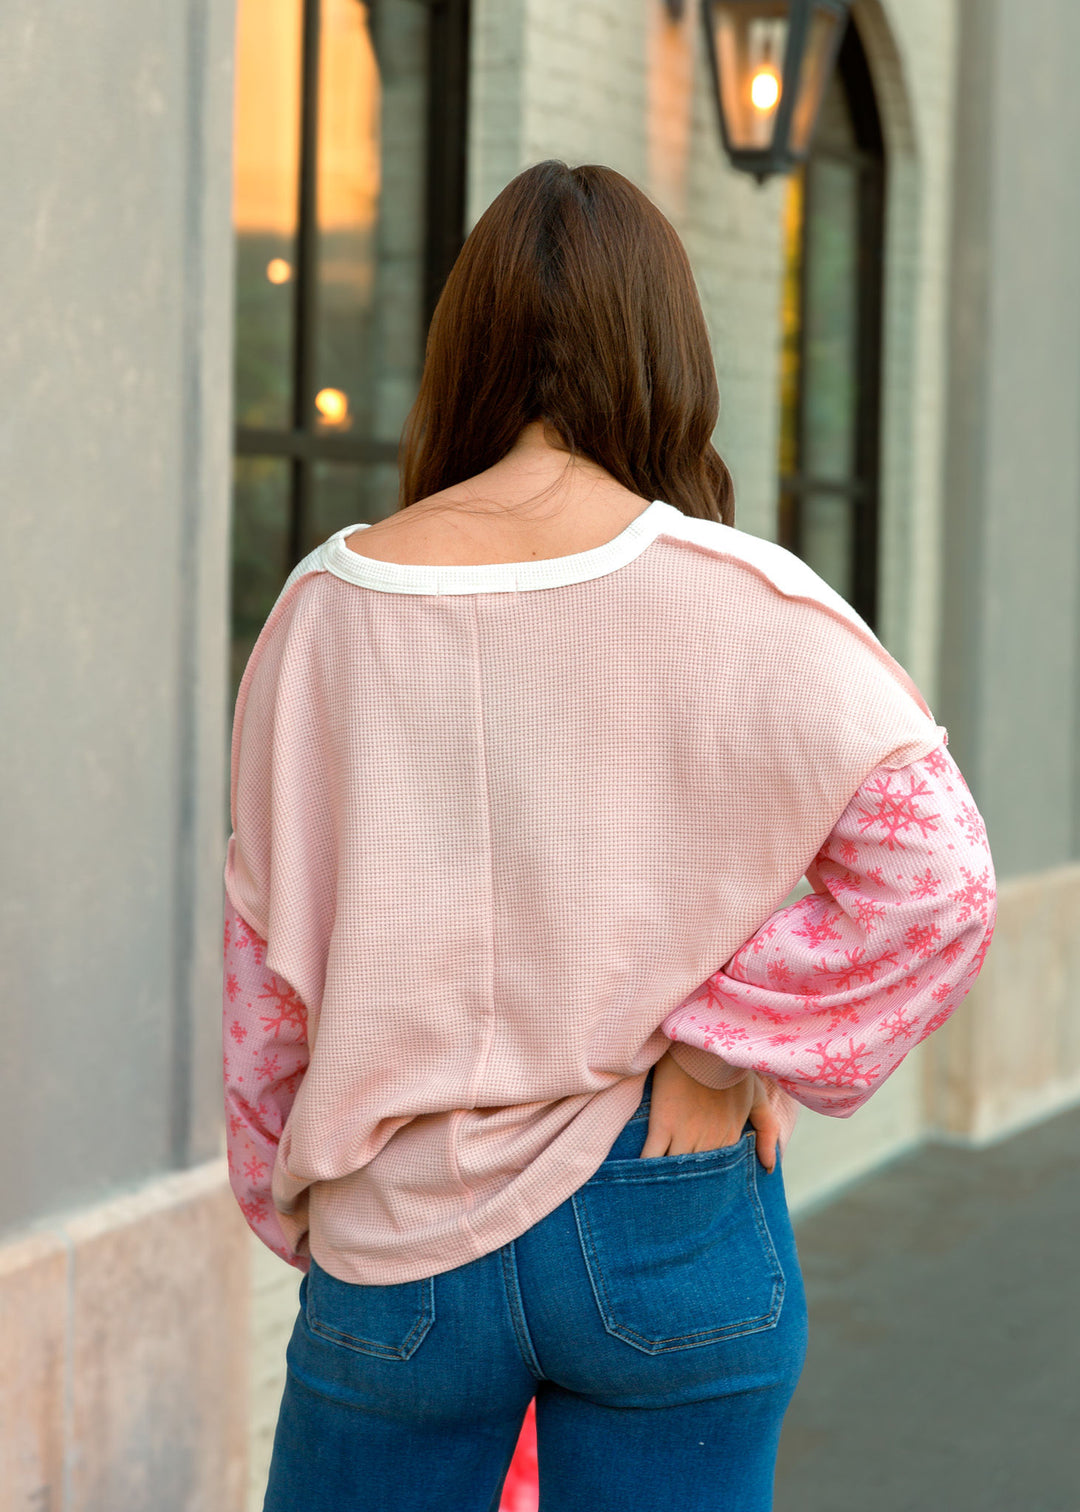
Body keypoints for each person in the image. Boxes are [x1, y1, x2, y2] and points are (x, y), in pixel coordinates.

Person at [222, 160, 996, 1512]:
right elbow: (937, 886)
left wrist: (290, 1198)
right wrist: (720, 1046)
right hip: (665, 1198)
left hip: (396, 1229)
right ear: (669, 354)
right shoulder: (751, 600)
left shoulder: (323, 609)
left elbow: (266, 972)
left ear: (462, 346)